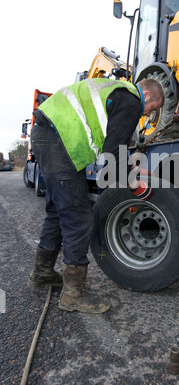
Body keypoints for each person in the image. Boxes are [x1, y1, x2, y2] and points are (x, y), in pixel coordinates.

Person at [27, 77, 164, 314]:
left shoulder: (115, 92)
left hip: (47, 135)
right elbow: (114, 155)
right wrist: (135, 181)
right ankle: (73, 294)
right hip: (60, 140)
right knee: (79, 218)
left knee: (56, 211)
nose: (150, 114)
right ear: (148, 95)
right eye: (154, 108)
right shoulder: (131, 100)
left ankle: (42, 273)